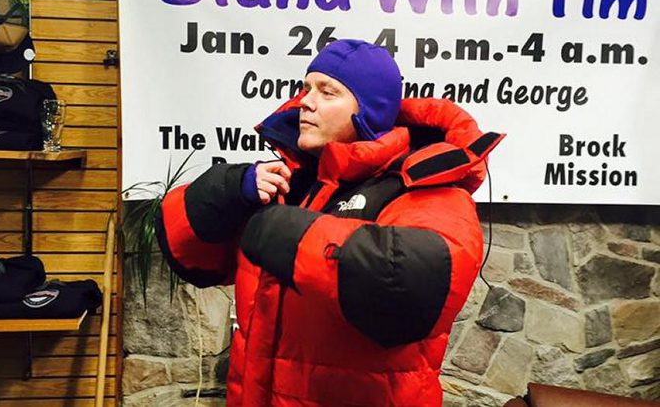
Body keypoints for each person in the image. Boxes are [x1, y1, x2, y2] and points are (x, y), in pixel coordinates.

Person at [155, 39, 504, 407]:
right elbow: (187, 250)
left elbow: (412, 288)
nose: (305, 100)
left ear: (368, 112)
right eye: (306, 87)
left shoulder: (428, 190)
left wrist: (288, 235)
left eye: (328, 91)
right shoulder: (297, 181)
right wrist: (229, 189)